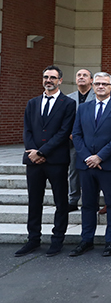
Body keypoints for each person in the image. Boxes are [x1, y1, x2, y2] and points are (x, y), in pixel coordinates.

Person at [16, 66, 76, 257]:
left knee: (60, 201)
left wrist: (42, 151)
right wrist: (33, 152)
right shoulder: (32, 103)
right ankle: (33, 239)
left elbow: (64, 132)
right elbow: (27, 130)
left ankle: (57, 239)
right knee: (34, 201)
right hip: (33, 161)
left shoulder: (68, 104)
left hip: (56, 160)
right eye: (45, 77)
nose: (48, 80)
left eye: (52, 77)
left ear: (60, 80)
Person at [69, 72, 111, 257]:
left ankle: (110, 241)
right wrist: (88, 157)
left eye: (105, 83)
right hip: (86, 165)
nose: (101, 86)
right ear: (93, 86)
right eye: (97, 83)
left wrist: (100, 157)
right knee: (87, 204)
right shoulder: (83, 108)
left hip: (109, 164)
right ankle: (86, 239)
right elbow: (76, 135)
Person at [65, 68, 95, 212]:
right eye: (79, 75)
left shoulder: (98, 96)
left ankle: (92, 199)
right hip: (74, 141)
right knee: (73, 171)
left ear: (91, 80)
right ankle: (73, 199)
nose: (81, 77)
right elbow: (65, 120)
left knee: (92, 172)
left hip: (93, 141)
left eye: (85, 75)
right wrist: (71, 134)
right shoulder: (68, 98)